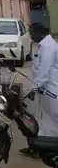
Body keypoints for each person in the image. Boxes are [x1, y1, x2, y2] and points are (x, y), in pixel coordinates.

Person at [20, 22, 58, 158]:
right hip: (47, 90)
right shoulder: (45, 45)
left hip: (52, 90)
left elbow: (44, 72)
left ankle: (49, 149)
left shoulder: (48, 47)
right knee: (43, 120)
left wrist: (33, 89)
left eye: (32, 33)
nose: (31, 36)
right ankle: (40, 148)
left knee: (52, 120)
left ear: (40, 33)